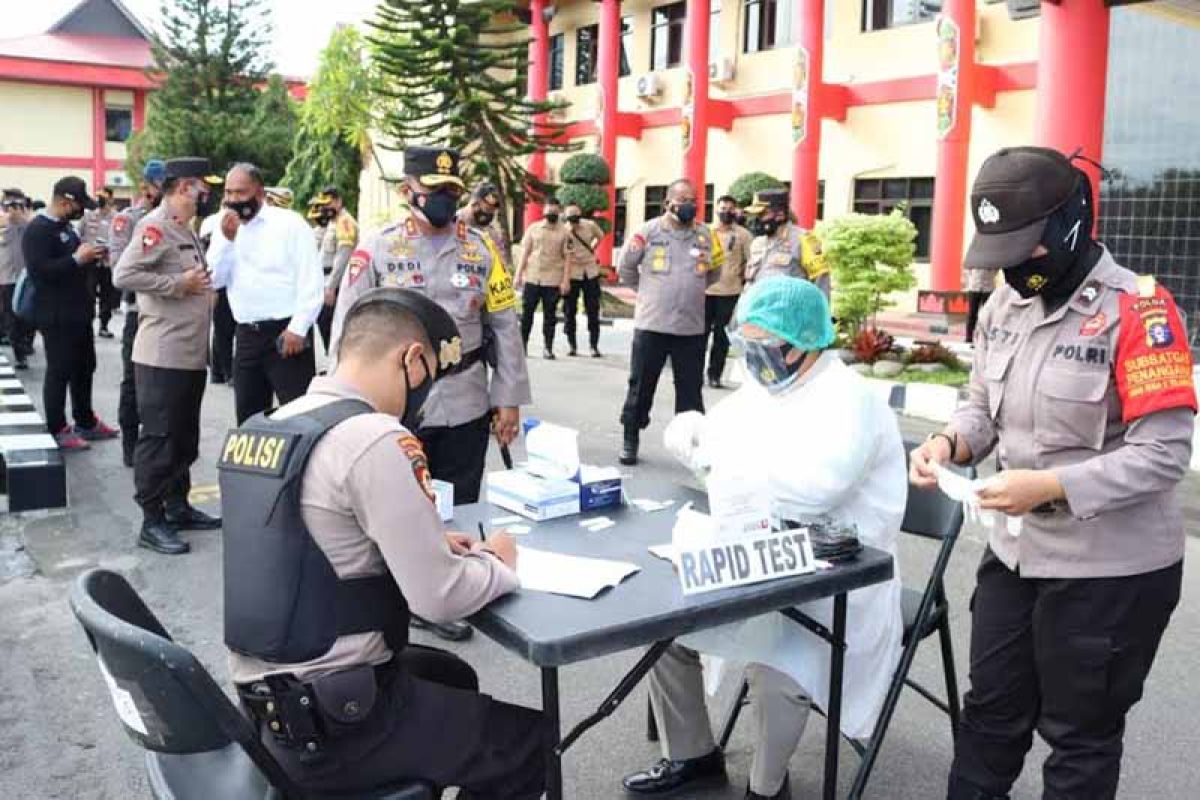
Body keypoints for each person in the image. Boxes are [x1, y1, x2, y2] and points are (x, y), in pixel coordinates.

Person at [908, 146, 1196, 800]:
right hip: (1015, 558)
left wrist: (1053, 487)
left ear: (1071, 222)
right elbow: (981, 406)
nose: (1012, 268)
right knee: (990, 716)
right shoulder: (1003, 309)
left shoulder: (1141, 313)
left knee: (1079, 736)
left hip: (1109, 574)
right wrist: (951, 443)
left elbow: (1163, 455)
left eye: (1025, 250)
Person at [222, 287, 545, 798]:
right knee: (529, 742)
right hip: (339, 722)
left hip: (268, 702)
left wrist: (428, 541)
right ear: (413, 359)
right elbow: (439, 598)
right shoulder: (372, 436)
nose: (425, 397)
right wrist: (494, 559)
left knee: (449, 675)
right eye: (430, 380)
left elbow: (307, 549)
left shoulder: (269, 427)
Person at [622, 276, 905, 799]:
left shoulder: (852, 401)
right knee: (663, 626)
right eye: (747, 345)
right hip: (758, 554)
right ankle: (692, 754)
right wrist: (688, 432)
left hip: (834, 578)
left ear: (803, 342)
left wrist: (724, 461)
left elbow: (814, 490)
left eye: (765, 347)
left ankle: (768, 787)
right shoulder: (769, 386)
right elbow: (712, 433)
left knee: (780, 671)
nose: (755, 359)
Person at [328, 146, 530, 643]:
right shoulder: (377, 248)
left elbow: (504, 325)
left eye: (450, 193)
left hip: (463, 395)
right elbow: (347, 325)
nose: (443, 201)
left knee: (459, 497)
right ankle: (400, 590)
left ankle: (453, 592)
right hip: (395, 400)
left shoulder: (481, 250)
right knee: (401, 499)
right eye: (433, 192)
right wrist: (342, 400)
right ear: (408, 192)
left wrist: (508, 398)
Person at [114, 158, 222, 556]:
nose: (206, 194)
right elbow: (122, 276)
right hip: (162, 354)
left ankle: (178, 507)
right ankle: (152, 520)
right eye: (200, 187)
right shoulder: (154, 227)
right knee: (159, 439)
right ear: (180, 189)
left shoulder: (184, 229)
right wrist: (178, 283)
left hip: (189, 353)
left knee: (184, 438)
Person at [617, 178, 725, 466]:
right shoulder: (649, 232)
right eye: (683, 200)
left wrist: (689, 289)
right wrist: (649, 293)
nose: (689, 206)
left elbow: (714, 271)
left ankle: (693, 448)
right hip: (652, 324)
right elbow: (626, 268)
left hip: (690, 327)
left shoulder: (705, 234)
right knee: (641, 385)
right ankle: (631, 437)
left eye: (694, 201)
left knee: (690, 390)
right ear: (668, 203)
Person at [208, 163, 324, 424]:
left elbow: (311, 281)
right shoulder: (224, 227)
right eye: (228, 193)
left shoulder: (290, 224)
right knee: (249, 420)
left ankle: (298, 467)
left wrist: (299, 328)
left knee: (298, 418)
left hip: (287, 335)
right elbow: (214, 279)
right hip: (248, 335)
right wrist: (227, 241)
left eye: (240, 192)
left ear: (259, 193)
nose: (233, 200)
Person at [22, 176, 119, 450]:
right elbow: (40, 272)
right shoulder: (38, 230)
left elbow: (73, 265)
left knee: (84, 367)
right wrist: (78, 259)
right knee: (59, 371)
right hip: (55, 314)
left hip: (78, 312)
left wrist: (91, 257)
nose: (82, 212)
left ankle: (85, 421)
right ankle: (57, 427)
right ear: (65, 202)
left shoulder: (66, 228)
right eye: (78, 206)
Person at [111, 160, 167, 465]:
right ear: (147, 186)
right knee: (133, 381)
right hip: (138, 310)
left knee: (162, 384)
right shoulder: (128, 219)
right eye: (161, 185)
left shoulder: (174, 218)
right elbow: (118, 267)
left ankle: (156, 443)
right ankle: (130, 444)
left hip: (167, 313)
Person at [743, 189, 830, 297]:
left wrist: (819, 312)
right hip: (759, 310)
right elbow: (749, 284)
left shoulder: (805, 239)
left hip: (790, 309)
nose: (758, 219)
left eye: (763, 214)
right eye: (757, 215)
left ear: (780, 214)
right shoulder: (757, 243)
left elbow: (821, 280)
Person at [705, 194, 752, 388]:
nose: (725, 212)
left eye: (729, 209)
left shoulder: (743, 235)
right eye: (722, 208)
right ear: (716, 210)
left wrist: (745, 283)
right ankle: (693, 373)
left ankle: (715, 374)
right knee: (699, 336)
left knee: (722, 338)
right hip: (705, 291)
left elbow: (751, 262)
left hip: (730, 292)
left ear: (736, 211)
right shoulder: (705, 232)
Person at [515, 198, 570, 358]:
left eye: (554, 212)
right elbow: (525, 252)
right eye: (548, 212)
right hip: (533, 277)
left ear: (559, 212)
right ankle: (522, 345)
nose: (551, 215)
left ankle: (548, 347)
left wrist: (566, 280)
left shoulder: (565, 233)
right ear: (544, 212)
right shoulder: (533, 228)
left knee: (550, 316)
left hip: (553, 279)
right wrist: (518, 274)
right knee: (527, 314)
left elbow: (568, 258)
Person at [313, 186, 359, 355]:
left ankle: (337, 361)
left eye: (329, 203)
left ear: (338, 201)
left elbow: (343, 257)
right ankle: (333, 359)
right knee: (325, 323)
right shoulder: (332, 223)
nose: (325, 208)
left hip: (337, 282)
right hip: (326, 280)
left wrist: (331, 287)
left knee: (330, 322)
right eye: (323, 204)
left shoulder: (345, 222)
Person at [561, 201, 605, 358]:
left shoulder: (589, 225)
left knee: (593, 308)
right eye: (571, 217)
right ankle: (572, 345)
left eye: (576, 216)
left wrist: (592, 246)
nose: (574, 220)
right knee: (569, 310)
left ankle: (594, 345)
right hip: (572, 271)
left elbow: (600, 236)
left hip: (590, 271)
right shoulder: (563, 230)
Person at [0, 190, 32, 369]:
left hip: (25, 277)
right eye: (7, 206)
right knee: (11, 317)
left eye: (15, 206)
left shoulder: (28, 226)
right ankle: (20, 353)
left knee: (26, 315)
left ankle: (25, 342)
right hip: (6, 278)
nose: (11, 210)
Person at [80, 187, 118, 338]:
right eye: (98, 197)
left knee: (107, 295)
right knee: (88, 293)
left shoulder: (116, 217)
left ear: (110, 199)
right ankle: (86, 323)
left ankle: (104, 325)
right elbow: (80, 235)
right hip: (90, 261)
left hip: (107, 262)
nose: (100, 200)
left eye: (103, 197)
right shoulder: (88, 217)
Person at [458, 182, 513, 272]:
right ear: (474, 203)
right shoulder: (452, 224)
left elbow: (501, 263)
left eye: (492, 212)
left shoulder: (491, 234)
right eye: (487, 209)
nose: (489, 215)